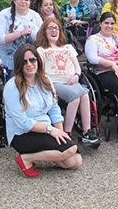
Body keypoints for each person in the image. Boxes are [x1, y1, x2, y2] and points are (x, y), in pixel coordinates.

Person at [4, 44, 82, 178]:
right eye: (24, 62)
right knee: (71, 149)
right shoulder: (12, 87)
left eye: (32, 60)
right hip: (22, 134)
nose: (29, 64)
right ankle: (26, 159)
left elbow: (54, 110)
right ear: (18, 65)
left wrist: (61, 133)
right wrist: (51, 130)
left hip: (45, 129)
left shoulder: (45, 80)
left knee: (75, 161)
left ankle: (39, 156)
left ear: (38, 61)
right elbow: (23, 122)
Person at [36, 18, 100, 146]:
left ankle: (86, 131)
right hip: (54, 82)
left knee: (85, 95)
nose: (54, 30)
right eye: (50, 28)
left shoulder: (68, 47)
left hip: (71, 80)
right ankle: (67, 133)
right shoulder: (41, 50)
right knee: (75, 98)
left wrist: (76, 75)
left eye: (56, 28)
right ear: (44, 32)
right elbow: (40, 71)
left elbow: (77, 66)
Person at [0, 0, 43, 78]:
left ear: (30, 2)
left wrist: (31, 33)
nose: (23, 2)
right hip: (7, 59)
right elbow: (1, 39)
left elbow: (41, 39)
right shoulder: (4, 14)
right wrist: (20, 33)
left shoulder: (35, 16)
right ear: (14, 0)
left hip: (28, 61)